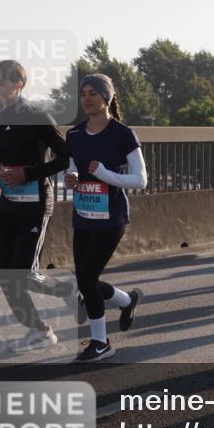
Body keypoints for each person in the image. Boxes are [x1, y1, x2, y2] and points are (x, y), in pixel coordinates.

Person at [0, 60, 69, 353]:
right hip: (9, 203)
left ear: (18, 85)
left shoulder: (38, 117)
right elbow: (0, 159)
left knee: (24, 273)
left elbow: (65, 158)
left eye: (1, 83)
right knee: (5, 275)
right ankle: (39, 331)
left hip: (37, 202)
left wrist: (27, 174)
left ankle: (69, 290)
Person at [64, 75, 147, 362]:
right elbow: (72, 167)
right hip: (83, 215)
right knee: (84, 280)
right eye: (83, 94)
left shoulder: (123, 134)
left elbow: (140, 179)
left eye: (93, 93)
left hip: (112, 218)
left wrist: (105, 174)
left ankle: (101, 342)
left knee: (87, 279)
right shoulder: (74, 134)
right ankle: (127, 300)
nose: (87, 98)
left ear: (107, 97)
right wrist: (71, 178)